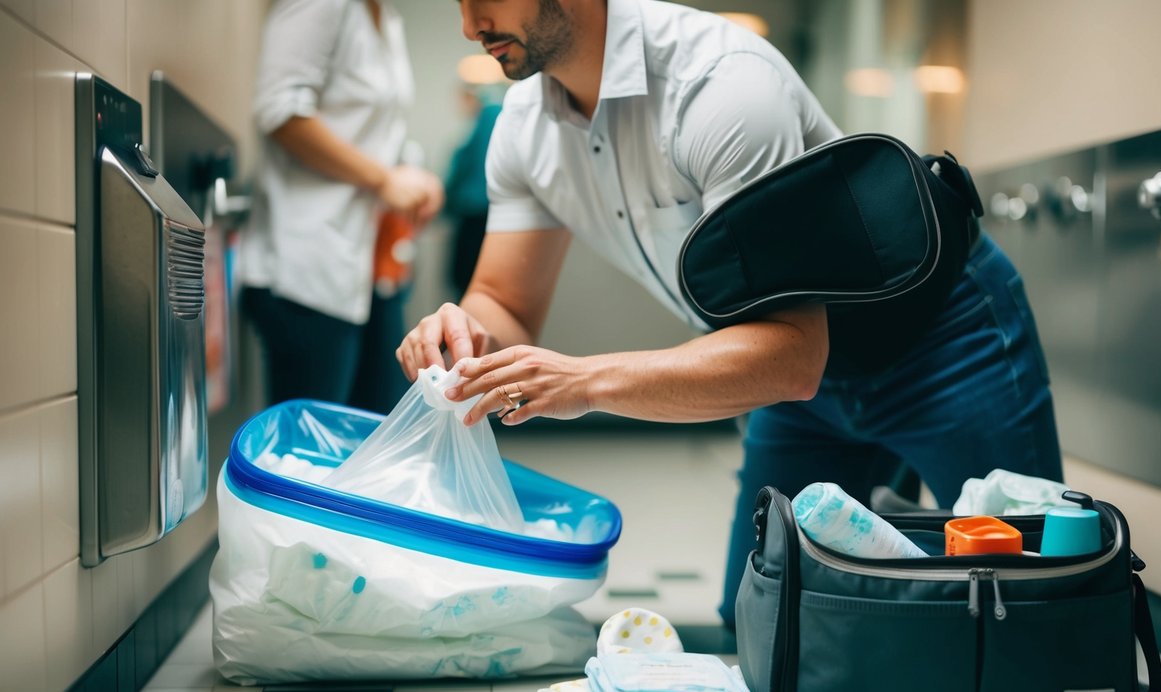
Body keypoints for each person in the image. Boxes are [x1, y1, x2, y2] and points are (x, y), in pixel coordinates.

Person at [396, 0, 1063, 629]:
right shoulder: (522, 127)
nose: (468, 24)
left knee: (1035, 597)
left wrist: (583, 382)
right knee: (760, 623)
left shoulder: (720, 86)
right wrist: (461, 334)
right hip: (795, 370)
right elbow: (504, 303)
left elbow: (790, 357)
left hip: (939, 341)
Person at [238, 0, 444, 414]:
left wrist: (412, 174)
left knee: (374, 429)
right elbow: (280, 111)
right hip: (307, 266)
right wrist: (384, 180)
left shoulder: (386, 17)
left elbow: (373, 130)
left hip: (363, 267)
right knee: (312, 451)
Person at [443, 84, 505, 296]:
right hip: (492, 215)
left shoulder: (487, 116)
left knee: (468, 286)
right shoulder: (497, 116)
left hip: (476, 216)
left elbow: (463, 167)